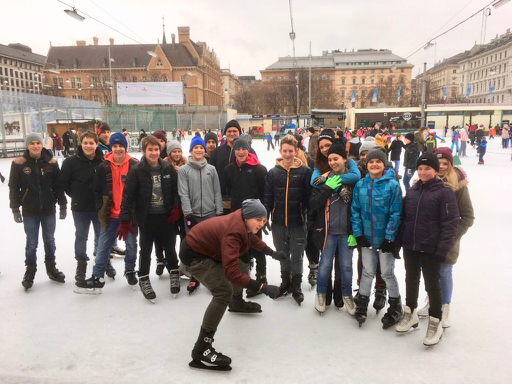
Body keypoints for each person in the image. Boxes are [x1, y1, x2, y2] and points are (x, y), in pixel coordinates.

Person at [179, 199, 284, 370]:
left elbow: (252, 240)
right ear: (247, 217)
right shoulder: (233, 232)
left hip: (208, 249)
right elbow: (231, 273)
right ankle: (201, 348)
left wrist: (273, 253)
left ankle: (236, 302)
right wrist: (261, 287)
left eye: (264, 220)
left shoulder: (242, 221)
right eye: (258, 219)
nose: (261, 223)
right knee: (222, 293)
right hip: (194, 256)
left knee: (242, 264)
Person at [395, 152, 459, 346]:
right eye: (420, 169)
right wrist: (398, 242)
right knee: (411, 280)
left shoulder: (444, 192)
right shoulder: (413, 191)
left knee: (432, 285)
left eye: (427, 169)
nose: (423, 172)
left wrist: (443, 249)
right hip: (411, 246)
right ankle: (410, 313)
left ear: (435, 170)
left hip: (431, 248)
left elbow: (450, 224)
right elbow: (404, 219)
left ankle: (435, 322)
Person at [416, 148, 474, 328]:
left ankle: (444, 306)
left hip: (448, 238)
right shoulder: (423, 182)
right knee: (430, 273)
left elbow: (468, 216)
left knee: (445, 272)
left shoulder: (458, 186)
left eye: (445, 163)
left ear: (450, 165)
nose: (441, 167)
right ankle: (432, 302)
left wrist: (453, 238)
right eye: (438, 163)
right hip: (428, 238)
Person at [120, 136, 181, 302]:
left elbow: (176, 191)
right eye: (150, 150)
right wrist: (125, 220)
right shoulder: (136, 171)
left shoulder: (167, 168)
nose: (153, 153)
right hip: (146, 218)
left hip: (166, 216)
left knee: (170, 248)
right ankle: (144, 278)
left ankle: (174, 273)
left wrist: (176, 208)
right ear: (143, 151)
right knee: (145, 250)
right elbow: (127, 197)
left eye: (156, 149)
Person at [76, 132, 139, 292]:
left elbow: (141, 190)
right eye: (115, 146)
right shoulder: (103, 166)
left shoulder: (134, 165)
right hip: (110, 215)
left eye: (121, 146)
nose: (118, 149)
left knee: (131, 246)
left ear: (125, 147)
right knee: (103, 246)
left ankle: (130, 270)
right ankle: (97, 276)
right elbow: (97, 190)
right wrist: (100, 207)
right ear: (111, 147)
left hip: (130, 216)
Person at [351, 147, 403, 328]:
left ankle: (396, 306)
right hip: (366, 237)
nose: (374, 164)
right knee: (367, 271)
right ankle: (362, 304)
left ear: (384, 164)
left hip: (384, 240)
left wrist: (389, 238)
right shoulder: (360, 185)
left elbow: (396, 213)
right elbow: (355, 211)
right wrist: (358, 234)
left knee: (387, 273)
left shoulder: (392, 185)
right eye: (371, 162)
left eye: (378, 161)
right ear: (366, 164)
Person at [9, 132, 67, 290]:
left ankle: (51, 268)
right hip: (29, 210)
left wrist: (62, 204)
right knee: (32, 243)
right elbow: (13, 188)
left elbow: (58, 186)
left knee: (49, 241)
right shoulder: (18, 163)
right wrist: (15, 208)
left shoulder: (51, 162)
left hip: (48, 209)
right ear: (27, 145)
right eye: (32, 143)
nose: (35, 145)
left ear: (42, 145)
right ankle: (30, 271)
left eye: (38, 143)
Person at [308, 141, 357, 315]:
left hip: (346, 233)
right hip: (328, 232)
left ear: (344, 159)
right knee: (325, 265)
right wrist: (328, 188)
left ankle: (347, 295)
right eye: (330, 160)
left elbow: (358, 209)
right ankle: (321, 293)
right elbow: (313, 204)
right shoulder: (323, 179)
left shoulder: (353, 181)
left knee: (346, 267)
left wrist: (355, 233)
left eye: (336, 159)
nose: (333, 162)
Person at [263, 135, 312, 306]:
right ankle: (285, 282)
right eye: (285, 151)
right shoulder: (273, 172)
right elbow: (268, 197)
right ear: (280, 151)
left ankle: (296, 285)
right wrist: (265, 216)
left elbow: (308, 198)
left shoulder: (305, 172)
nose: (288, 154)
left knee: (297, 256)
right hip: (278, 223)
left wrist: (308, 218)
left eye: (291, 151)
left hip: (298, 222)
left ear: (296, 151)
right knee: (283, 255)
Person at [225, 136, 268, 299]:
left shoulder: (259, 169)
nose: (241, 152)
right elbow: (230, 191)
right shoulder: (229, 170)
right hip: (237, 216)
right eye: (238, 149)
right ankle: (245, 278)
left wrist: (264, 216)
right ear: (234, 150)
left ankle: (262, 276)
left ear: (248, 149)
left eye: (244, 148)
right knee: (240, 247)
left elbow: (265, 193)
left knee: (257, 246)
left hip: (255, 217)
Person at [60, 131, 105, 284]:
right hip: (80, 208)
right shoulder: (70, 162)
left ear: (96, 144)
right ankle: (81, 263)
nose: (88, 146)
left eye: (91, 143)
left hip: (99, 208)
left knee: (102, 237)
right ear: (80, 144)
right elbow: (64, 184)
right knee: (81, 236)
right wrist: (77, 195)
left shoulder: (103, 161)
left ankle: (103, 262)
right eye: (85, 143)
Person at [209, 120, 257, 215]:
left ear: (239, 132)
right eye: (229, 131)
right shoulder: (217, 152)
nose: (232, 133)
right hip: (222, 200)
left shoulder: (249, 151)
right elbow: (210, 174)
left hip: (243, 200)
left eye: (234, 131)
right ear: (225, 133)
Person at [95, 122, 125, 257]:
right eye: (103, 132)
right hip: (102, 190)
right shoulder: (97, 148)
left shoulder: (111, 146)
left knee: (109, 222)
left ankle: (113, 245)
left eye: (108, 132)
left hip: (114, 189)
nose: (106, 134)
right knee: (102, 225)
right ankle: (99, 247)